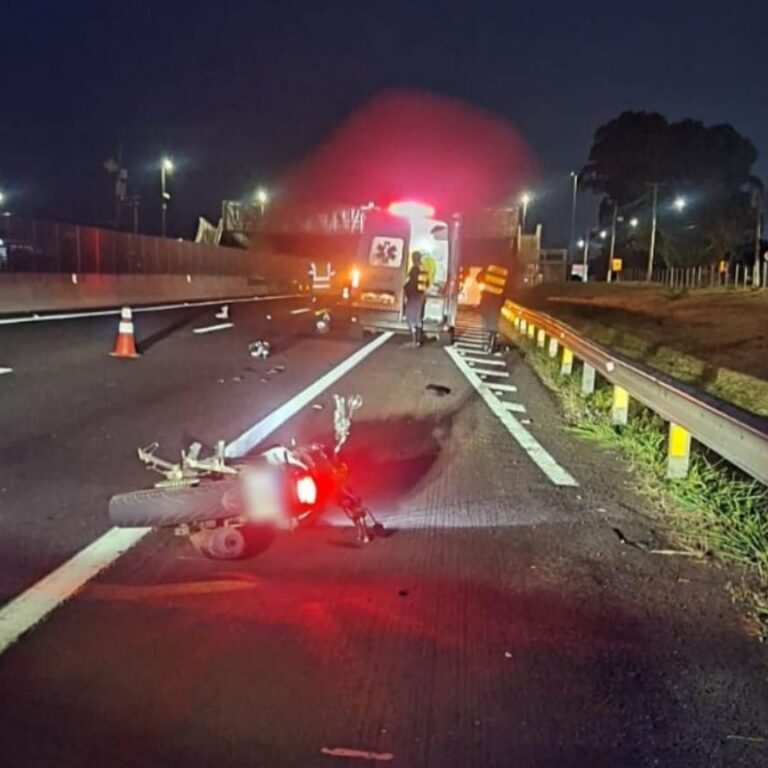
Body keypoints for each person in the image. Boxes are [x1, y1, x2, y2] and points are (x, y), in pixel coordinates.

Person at [404, 251, 428, 346]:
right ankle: (418, 340)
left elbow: (411, 283)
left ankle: (414, 340)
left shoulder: (414, 269)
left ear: (414, 259)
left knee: (410, 317)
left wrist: (406, 292)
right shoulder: (424, 268)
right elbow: (427, 282)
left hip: (413, 295)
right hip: (421, 295)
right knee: (418, 318)